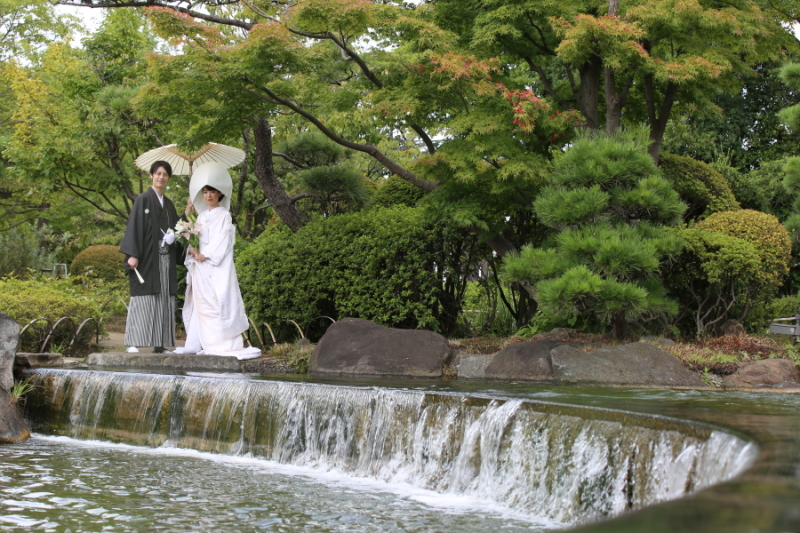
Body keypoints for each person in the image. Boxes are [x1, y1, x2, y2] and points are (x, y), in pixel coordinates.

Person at [174, 178, 261, 360]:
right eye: (205, 192)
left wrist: (207, 255)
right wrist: (192, 248)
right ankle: (203, 342)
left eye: (212, 192)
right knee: (202, 305)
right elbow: (195, 237)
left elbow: (223, 240)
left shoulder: (224, 215)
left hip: (215, 264)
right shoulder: (200, 216)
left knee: (217, 301)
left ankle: (220, 343)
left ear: (219, 193)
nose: (208, 196)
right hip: (200, 266)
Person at [120, 161, 190, 353]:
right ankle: (134, 342)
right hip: (146, 258)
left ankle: (160, 344)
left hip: (164, 258)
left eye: (165, 174)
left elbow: (176, 228)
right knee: (143, 298)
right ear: (151, 175)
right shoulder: (143, 199)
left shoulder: (168, 204)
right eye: (158, 173)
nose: (161, 177)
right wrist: (133, 254)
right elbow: (135, 226)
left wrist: (187, 213)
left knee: (164, 298)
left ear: (168, 178)